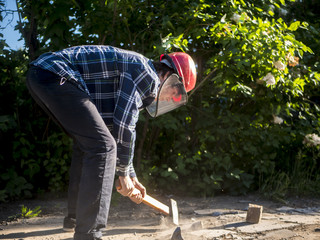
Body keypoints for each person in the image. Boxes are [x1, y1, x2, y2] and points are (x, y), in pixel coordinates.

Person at [26, 45, 196, 240]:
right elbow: (125, 126)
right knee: (102, 148)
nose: (169, 98)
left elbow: (112, 129)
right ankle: (90, 235)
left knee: (90, 144)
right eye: (175, 92)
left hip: (42, 74)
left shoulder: (138, 72)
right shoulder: (147, 75)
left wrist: (130, 174)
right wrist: (123, 173)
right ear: (169, 77)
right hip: (56, 74)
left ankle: (75, 219)